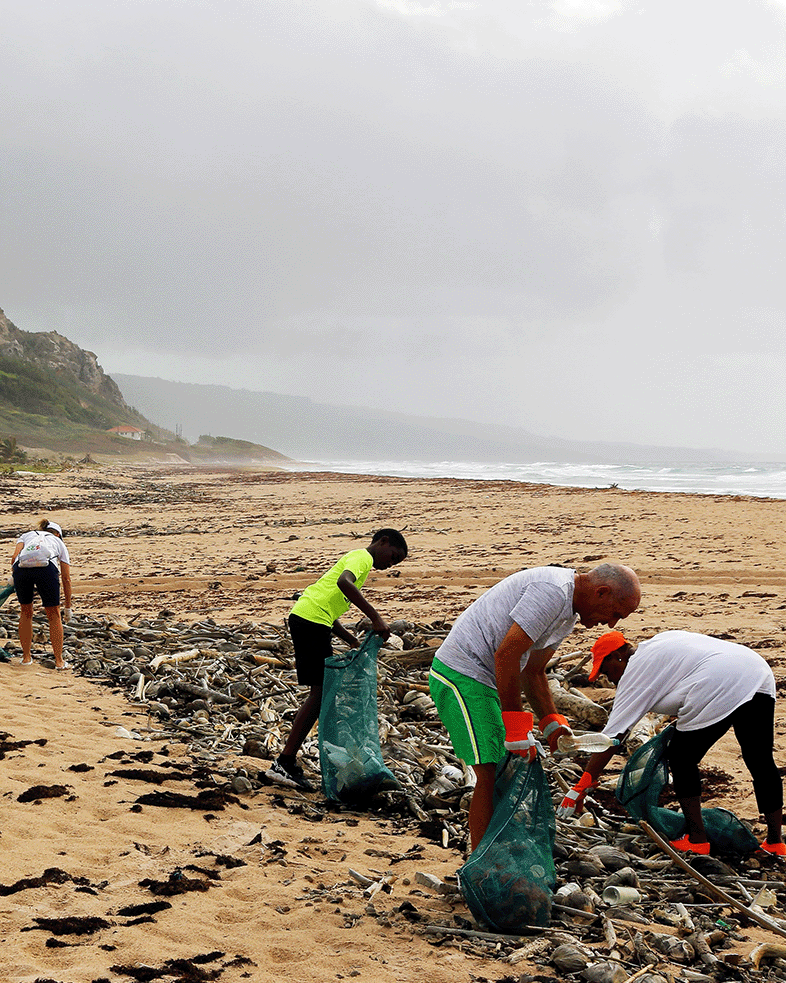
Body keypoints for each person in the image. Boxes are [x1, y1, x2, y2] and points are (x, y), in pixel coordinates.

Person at [428, 563, 641, 849]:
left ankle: (496, 848)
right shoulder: (553, 591)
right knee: (488, 768)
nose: (612, 624)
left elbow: (534, 671)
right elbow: (507, 655)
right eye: (615, 613)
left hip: (485, 680)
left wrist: (551, 723)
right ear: (602, 592)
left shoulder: (567, 613)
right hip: (461, 673)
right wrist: (516, 727)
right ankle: (481, 861)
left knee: (506, 767)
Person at [558, 629, 785, 856]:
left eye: (607, 671)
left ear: (618, 655)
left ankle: (697, 840)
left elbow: (612, 738)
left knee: (681, 758)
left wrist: (581, 786)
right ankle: (776, 842)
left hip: (716, 680)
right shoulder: (661, 641)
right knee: (760, 759)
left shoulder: (635, 671)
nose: (611, 680)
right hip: (756, 670)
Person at [267, 528, 409, 791]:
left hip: (312, 619)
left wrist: (350, 639)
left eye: (396, 563)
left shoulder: (361, 565)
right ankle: (284, 763)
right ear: (383, 541)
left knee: (320, 693)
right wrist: (376, 617)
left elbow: (328, 605)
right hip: (310, 621)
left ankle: (286, 761)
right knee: (320, 694)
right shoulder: (361, 558)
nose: (391, 564)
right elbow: (344, 583)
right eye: (393, 556)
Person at [11, 519, 72, 670]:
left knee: (26, 612)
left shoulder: (26, 535)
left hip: (22, 569)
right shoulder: (58, 542)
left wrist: (15, 576)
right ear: (57, 534)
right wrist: (68, 606)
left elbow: (14, 558)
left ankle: (26, 658)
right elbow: (66, 578)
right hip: (46, 569)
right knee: (54, 614)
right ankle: (59, 661)